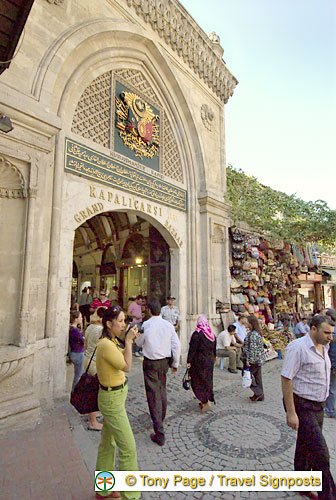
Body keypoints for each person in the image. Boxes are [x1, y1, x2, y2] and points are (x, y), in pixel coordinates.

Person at [281, 314, 336, 500]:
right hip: (302, 405)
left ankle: (301, 484)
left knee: (304, 445)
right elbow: (286, 378)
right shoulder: (298, 348)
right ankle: (327, 495)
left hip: (318, 405)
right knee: (321, 454)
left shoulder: (324, 347)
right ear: (313, 329)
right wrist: (291, 412)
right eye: (326, 332)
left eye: (332, 333)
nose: (330, 337)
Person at [95, 306, 140, 500]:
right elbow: (127, 366)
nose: (123, 324)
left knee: (107, 443)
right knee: (128, 447)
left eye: (124, 321)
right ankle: (130, 495)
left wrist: (127, 342)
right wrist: (128, 342)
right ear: (108, 323)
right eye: (120, 321)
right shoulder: (105, 344)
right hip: (111, 400)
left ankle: (103, 489)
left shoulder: (111, 341)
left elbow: (121, 355)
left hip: (115, 397)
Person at [134, 299, 181, 446]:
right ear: (160, 311)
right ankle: (161, 417)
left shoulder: (146, 325)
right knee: (161, 389)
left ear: (148, 311)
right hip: (164, 362)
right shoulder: (168, 325)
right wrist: (176, 363)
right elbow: (177, 345)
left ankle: (159, 431)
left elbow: (139, 343)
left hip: (151, 363)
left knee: (153, 394)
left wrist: (137, 337)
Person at [186, 316, 216, 412]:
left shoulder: (197, 334)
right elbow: (214, 349)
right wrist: (214, 358)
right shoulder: (211, 334)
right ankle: (207, 398)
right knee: (207, 380)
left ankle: (204, 400)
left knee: (198, 381)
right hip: (209, 361)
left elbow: (192, 349)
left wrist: (189, 361)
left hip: (199, 362)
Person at [83, 307, 106, 431]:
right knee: (95, 391)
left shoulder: (89, 327)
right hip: (95, 362)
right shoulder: (101, 330)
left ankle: (93, 414)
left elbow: (85, 345)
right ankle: (92, 421)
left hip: (87, 359)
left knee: (92, 388)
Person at [243, 315, 265, 402]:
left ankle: (258, 392)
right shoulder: (256, 333)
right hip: (258, 359)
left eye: (247, 322)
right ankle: (260, 395)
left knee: (247, 375)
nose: (246, 324)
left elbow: (253, 349)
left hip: (254, 359)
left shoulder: (253, 335)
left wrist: (249, 360)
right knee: (257, 377)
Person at [68, 310, 85, 393]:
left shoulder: (74, 329)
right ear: (75, 319)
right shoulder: (74, 331)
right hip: (78, 353)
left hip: (77, 352)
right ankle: (75, 391)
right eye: (80, 317)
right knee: (79, 375)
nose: (82, 318)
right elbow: (83, 340)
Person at [324, 308, 336, 419]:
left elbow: (333, 351)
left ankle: (330, 410)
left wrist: (333, 366)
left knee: (331, 387)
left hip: (333, 364)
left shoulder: (333, 332)